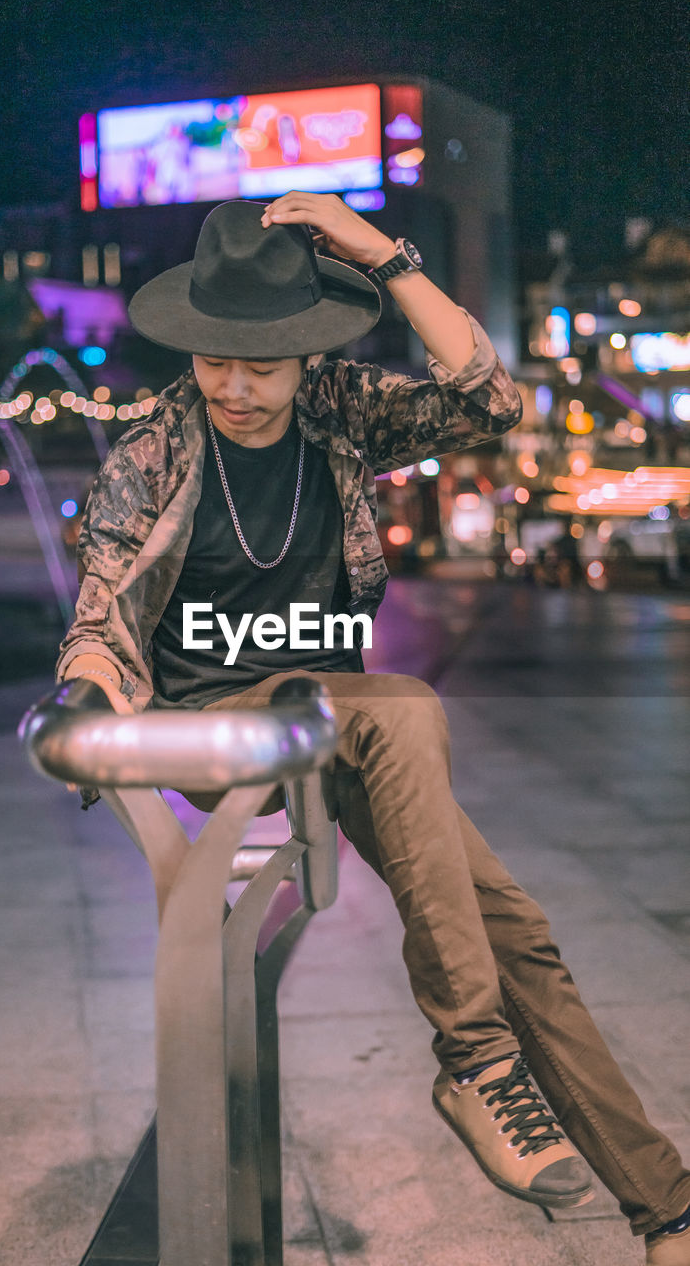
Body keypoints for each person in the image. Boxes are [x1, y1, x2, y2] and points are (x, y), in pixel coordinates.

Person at [56, 193, 690, 1264]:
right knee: (401, 705)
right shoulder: (153, 449)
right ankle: (477, 1060)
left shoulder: (341, 411)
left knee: (513, 930)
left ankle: (667, 1212)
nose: (235, 385)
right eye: (215, 357)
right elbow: (100, 619)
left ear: (308, 351)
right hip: (226, 730)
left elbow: (488, 397)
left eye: (262, 359)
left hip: (341, 733)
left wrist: (385, 257)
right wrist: (85, 701)